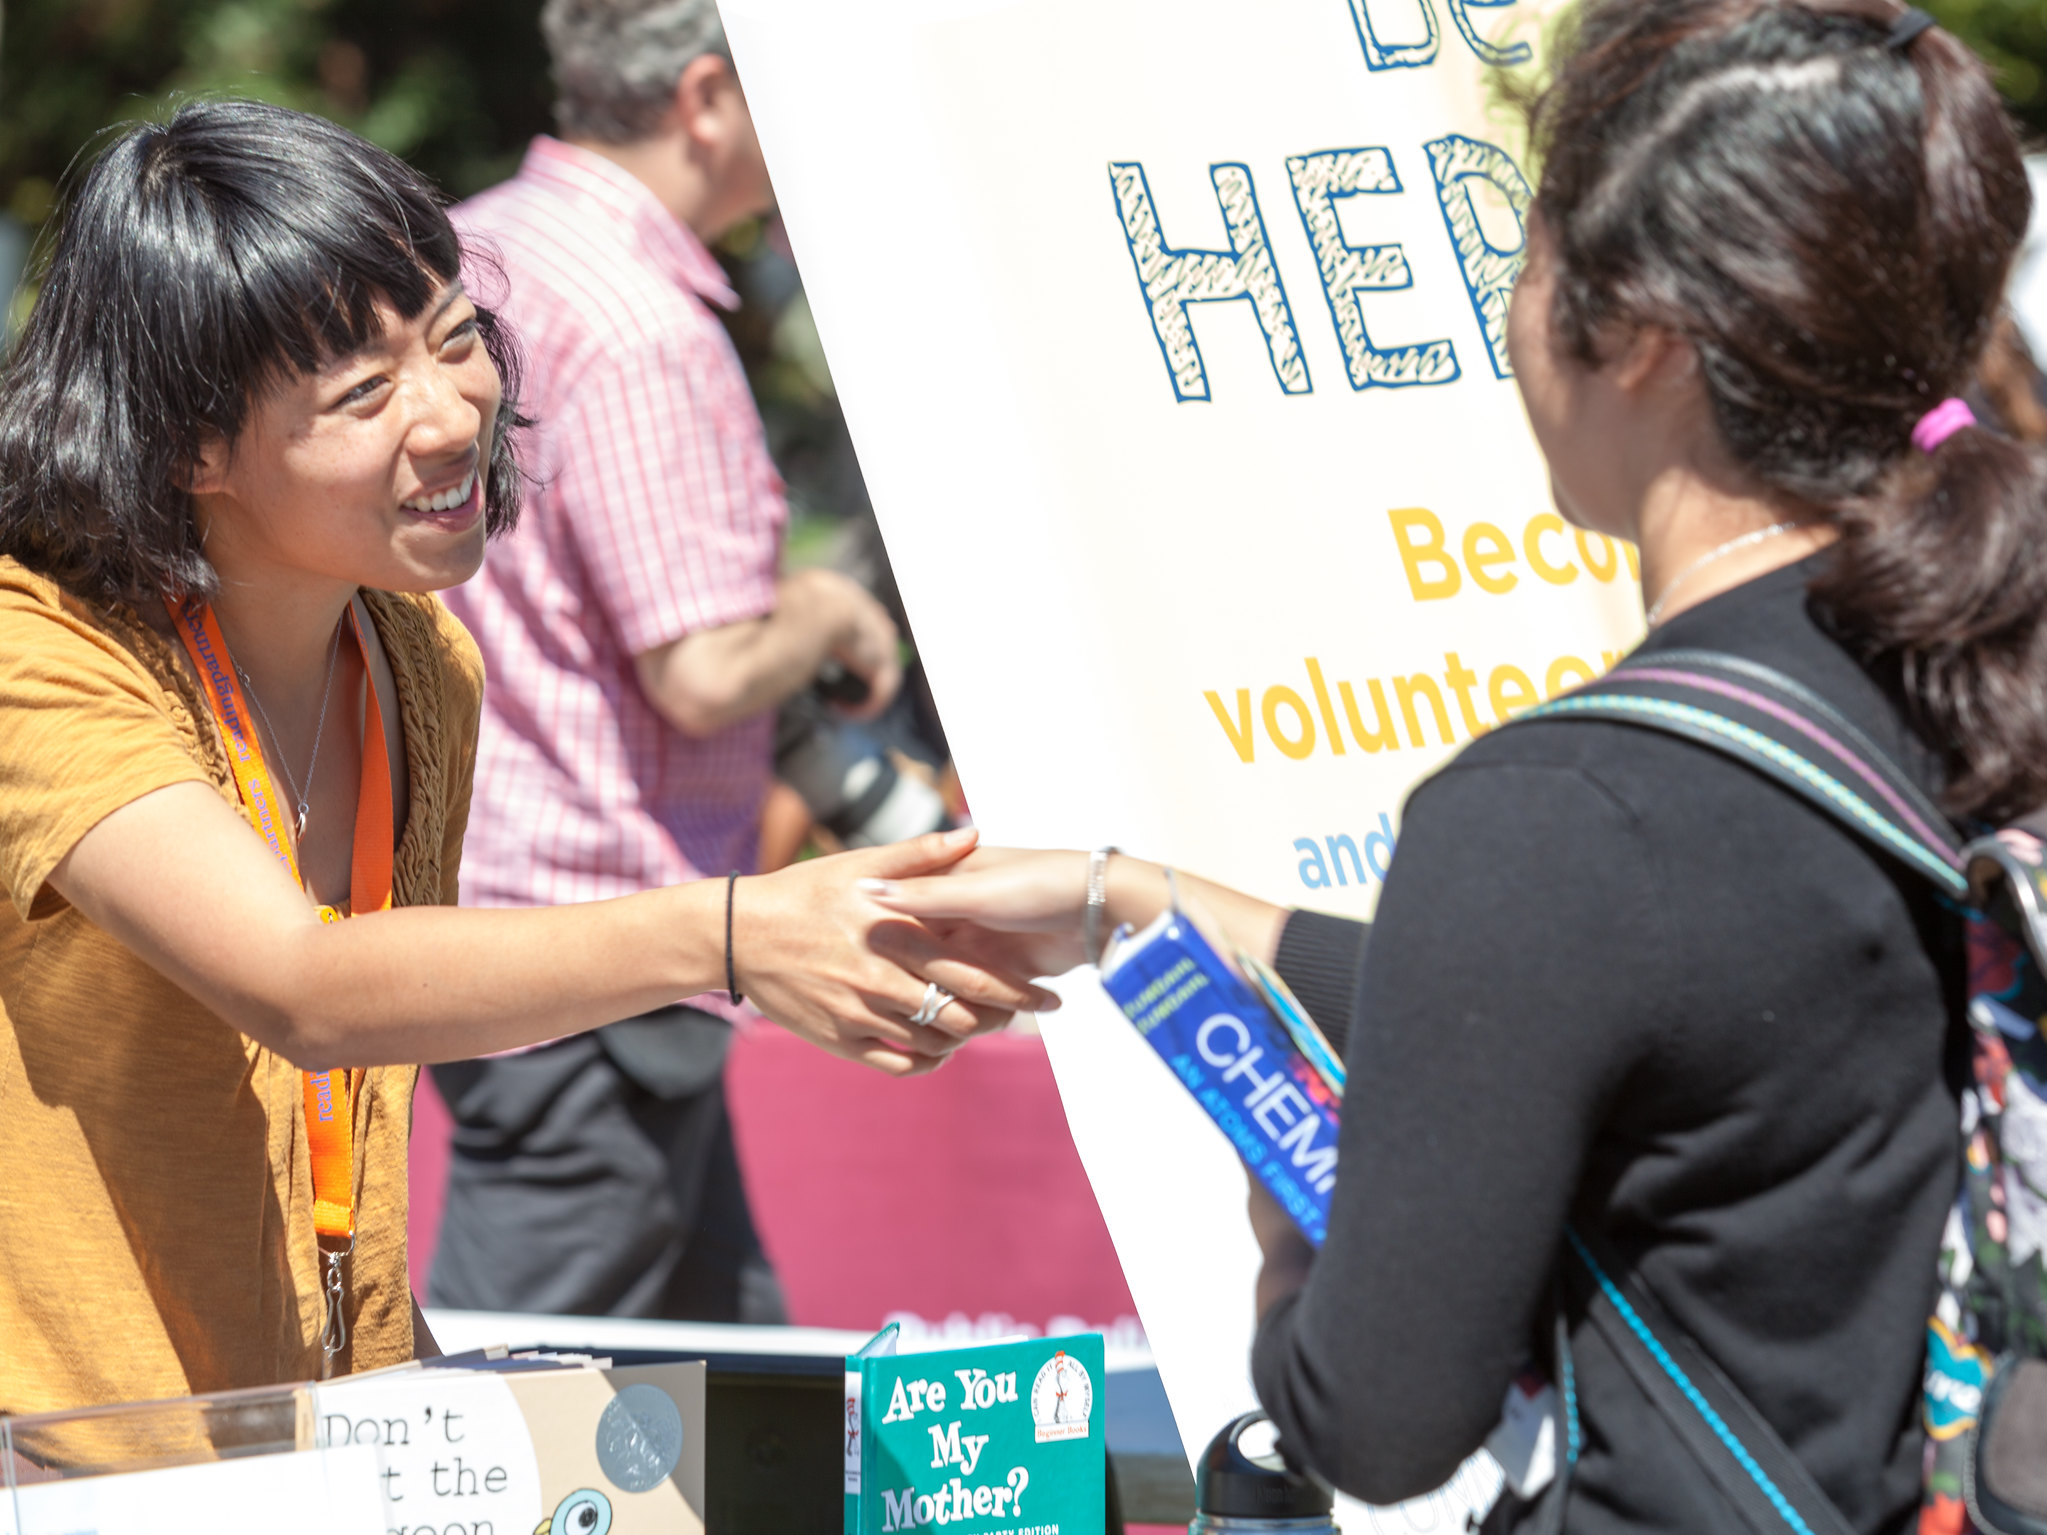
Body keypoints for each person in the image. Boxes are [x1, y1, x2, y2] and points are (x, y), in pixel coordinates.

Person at [868, 2, 2047, 1527]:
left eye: (1528, 257)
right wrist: (1153, 907)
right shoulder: (1977, 667)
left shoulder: (1562, 815)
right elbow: (1698, 1006)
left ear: (1641, 337)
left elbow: (1376, 1420)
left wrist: (1285, 1187)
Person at [0, 97, 1049, 1420]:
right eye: (362, 391)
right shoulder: (36, 656)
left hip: (312, 1447)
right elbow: (305, 984)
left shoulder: (420, 659)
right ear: (193, 444)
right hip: (71, 1468)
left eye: (455, 340)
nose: (450, 417)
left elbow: (357, 1121)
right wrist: (735, 936)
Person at [421, 0, 907, 1325]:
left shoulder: (475, 247)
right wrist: (827, 613)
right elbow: (698, 669)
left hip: (518, 920)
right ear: (704, 96)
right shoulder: (642, 322)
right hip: (602, 956)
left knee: (735, 1384)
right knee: (497, 1414)